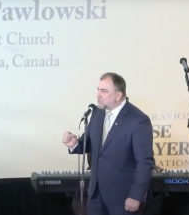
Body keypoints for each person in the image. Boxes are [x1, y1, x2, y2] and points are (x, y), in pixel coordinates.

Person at [63, 72, 154, 215]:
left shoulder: (138, 120)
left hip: (123, 198)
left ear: (118, 95)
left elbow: (145, 162)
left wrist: (136, 195)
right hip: (95, 196)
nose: (98, 95)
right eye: (98, 90)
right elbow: (90, 142)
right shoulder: (98, 113)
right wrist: (75, 144)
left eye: (104, 91)